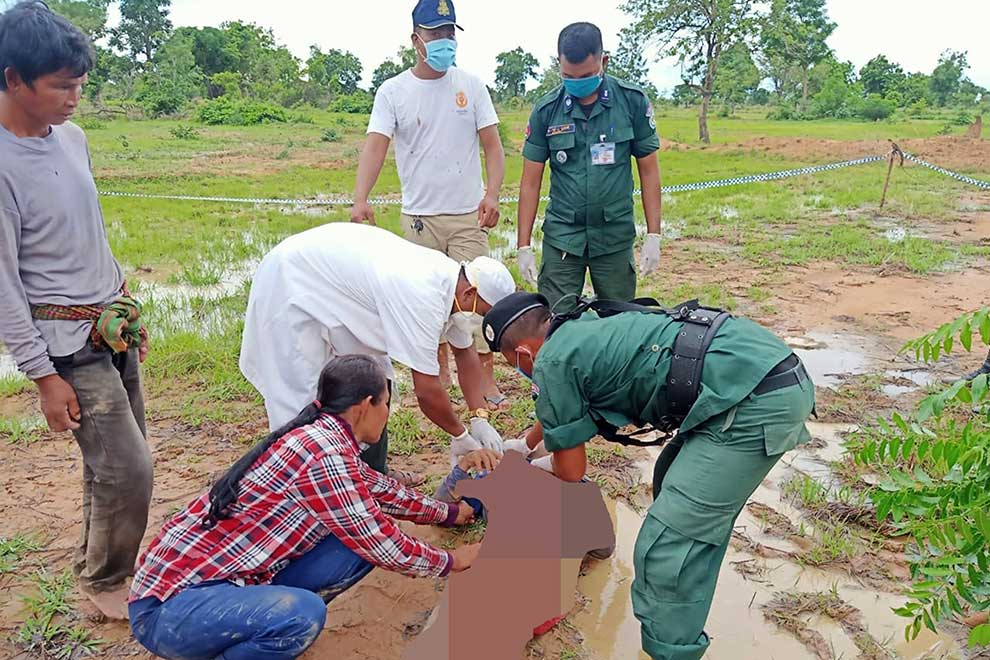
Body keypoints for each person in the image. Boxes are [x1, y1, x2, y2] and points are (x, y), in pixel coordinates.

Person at [482, 292, 817, 660]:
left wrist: (533, 468)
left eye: (510, 363)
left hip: (752, 400)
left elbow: (572, 470)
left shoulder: (551, 361)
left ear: (523, 355)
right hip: (752, 366)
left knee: (667, 548)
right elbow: (565, 407)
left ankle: (669, 653)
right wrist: (525, 444)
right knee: (669, 483)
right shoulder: (579, 329)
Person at [129, 356, 481, 660]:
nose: (387, 413)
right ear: (364, 406)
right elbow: (381, 543)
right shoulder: (324, 454)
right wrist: (452, 562)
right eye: (386, 403)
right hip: (169, 608)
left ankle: (260, 618)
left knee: (355, 546)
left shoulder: (325, 440)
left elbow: (384, 493)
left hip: (233, 581)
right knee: (301, 615)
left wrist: (452, 514)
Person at [0, 1, 152, 620]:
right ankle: (106, 582)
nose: (73, 99)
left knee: (112, 463)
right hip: (64, 346)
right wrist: (42, 375)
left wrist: (124, 309)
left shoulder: (73, 137)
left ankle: (98, 564)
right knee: (130, 470)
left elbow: (90, 230)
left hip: (108, 328)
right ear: (13, 78)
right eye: (61, 86)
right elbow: (4, 283)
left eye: (80, 85)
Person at [239, 222, 515, 487]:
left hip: (342, 291)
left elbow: (465, 354)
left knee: (374, 383)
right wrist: (461, 435)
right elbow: (427, 391)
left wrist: (479, 416)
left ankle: (369, 475)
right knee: (298, 399)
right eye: (482, 312)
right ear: (470, 293)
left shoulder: (456, 287)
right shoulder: (423, 294)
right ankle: (298, 487)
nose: (479, 319)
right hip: (293, 283)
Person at [352, 0, 508, 406]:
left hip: (467, 217)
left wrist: (491, 194)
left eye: (450, 33)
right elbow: (375, 147)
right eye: (436, 33)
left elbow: (493, 146)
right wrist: (360, 199)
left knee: (476, 301)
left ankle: (485, 378)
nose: (444, 41)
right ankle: (436, 374)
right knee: (427, 304)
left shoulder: (470, 86)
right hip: (420, 219)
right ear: (416, 40)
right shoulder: (393, 92)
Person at [516, 22, 663, 312]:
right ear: (559, 64)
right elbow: (530, 182)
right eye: (568, 76)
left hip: (613, 237)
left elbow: (649, 170)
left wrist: (654, 235)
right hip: (562, 239)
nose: (577, 83)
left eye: (585, 75)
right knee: (555, 324)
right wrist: (523, 246)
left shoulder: (631, 102)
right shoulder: (547, 110)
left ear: (603, 61)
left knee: (619, 324)